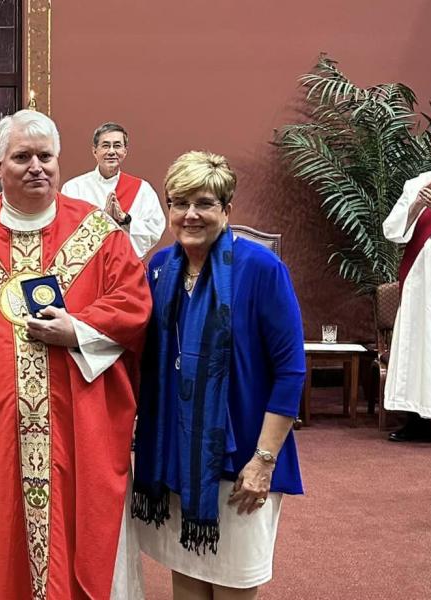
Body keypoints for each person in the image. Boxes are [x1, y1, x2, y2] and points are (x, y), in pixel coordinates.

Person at [0, 110, 153, 599]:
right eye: (22, 157)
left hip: (73, 431)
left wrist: (79, 329)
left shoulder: (99, 234)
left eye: (46, 157)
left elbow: (133, 305)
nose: (36, 167)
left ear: (60, 162)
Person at [131, 151, 305, 599]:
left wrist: (263, 462)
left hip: (240, 459)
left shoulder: (261, 269)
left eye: (204, 203)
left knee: (232, 587)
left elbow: (290, 371)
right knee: (186, 582)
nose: (190, 214)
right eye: (179, 202)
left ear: (226, 210)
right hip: (178, 459)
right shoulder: (159, 269)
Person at [381, 131, 431, 442]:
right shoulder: (417, 183)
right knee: (417, 341)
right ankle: (415, 419)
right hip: (420, 277)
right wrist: (417, 207)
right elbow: (393, 230)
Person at [61, 122, 165, 258]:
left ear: (125, 151)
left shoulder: (142, 189)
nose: (111, 151)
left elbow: (154, 228)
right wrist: (103, 220)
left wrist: (125, 220)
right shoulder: (74, 188)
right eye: (105, 146)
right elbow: (65, 229)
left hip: (127, 266)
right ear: (94, 151)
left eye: (117, 146)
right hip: (87, 266)